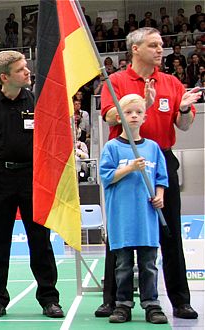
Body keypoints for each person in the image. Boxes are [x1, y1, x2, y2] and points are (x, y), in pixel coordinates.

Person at [96, 27, 202, 320]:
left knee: (170, 233)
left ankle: (180, 300)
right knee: (119, 233)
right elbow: (110, 117)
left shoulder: (171, 82)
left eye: (161, 45)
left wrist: (182, 109)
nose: (160, 50)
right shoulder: (116, 82)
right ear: (135, 49)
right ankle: (112, 300)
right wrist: (144, 104)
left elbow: (183, 125)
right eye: (153, 45)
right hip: (126, 159)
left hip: (161, 159)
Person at [0, 50, 63, 319]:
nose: (27, 72)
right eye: (21, 69)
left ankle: (49, 299)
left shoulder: (37, 102)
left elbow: (54, 135)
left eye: (26, 67)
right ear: (5, 77)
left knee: (40, 241)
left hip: (34, 178)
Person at [99, 94, 168, 324]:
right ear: (119, 117)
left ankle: (151, 304)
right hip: (122, 219)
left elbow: (161, 178)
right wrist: (130, 168)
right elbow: (107, 177)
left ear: (145, 118)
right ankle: (123, 305)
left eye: (139, 112)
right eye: (128, 112)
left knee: (149, 265)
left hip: (146, 218)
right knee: (123, 266)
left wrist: (159, 196)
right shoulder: (112, 147)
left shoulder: (152, 148)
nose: (134, 116)